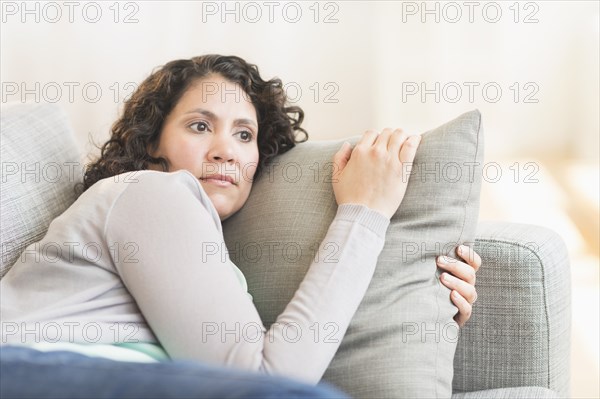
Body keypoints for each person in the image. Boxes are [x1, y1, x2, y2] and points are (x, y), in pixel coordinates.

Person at [0, 55, 480, 396]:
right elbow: (268, 381)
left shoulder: (204, 255)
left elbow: (278, 359)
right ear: (152, 145)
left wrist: (419, 298)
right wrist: (365, 212)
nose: (226, 150)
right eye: (200, 126)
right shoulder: (150, 192)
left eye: (244, 134)